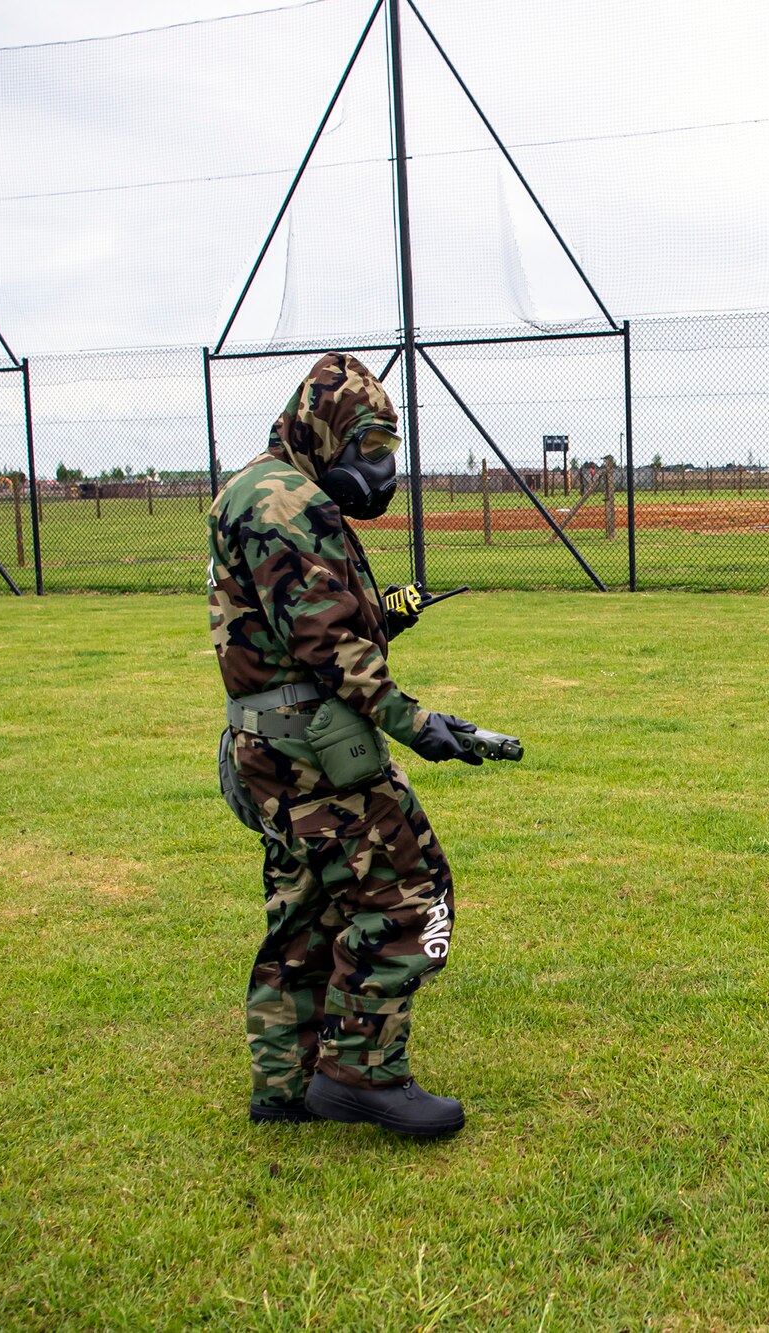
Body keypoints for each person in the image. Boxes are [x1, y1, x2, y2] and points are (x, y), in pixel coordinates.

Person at [208, 352, 496, 1137]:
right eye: (367, 448)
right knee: (412, 891)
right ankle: (363, 1074)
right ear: (325, 430)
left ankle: (286, 1082)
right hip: (313, 751)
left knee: (304, 912)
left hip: (271, 743)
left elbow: (295, 620)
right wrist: (421, 723)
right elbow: (329, 646)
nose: (379, 468)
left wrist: (385, 609)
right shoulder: (283, 502)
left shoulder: (264, 487)